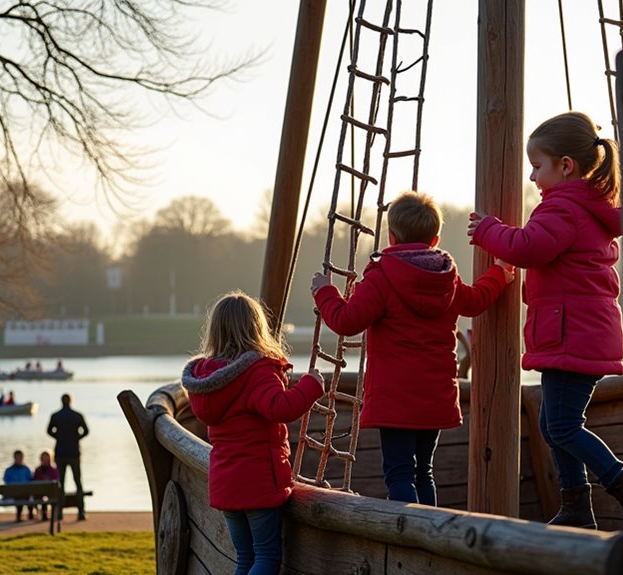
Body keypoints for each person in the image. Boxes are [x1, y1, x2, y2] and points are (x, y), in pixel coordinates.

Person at [468, 111, 623, 530]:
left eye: (537, 166)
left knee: (561, 425)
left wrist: (488, 230)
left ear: (565, 165)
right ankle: (577, 507)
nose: (532, 176)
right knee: (554, 424)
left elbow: (527, 247)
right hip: (580, 333)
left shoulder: (563, 209)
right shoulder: (588, 207)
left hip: (572, 335)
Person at [312, 191, 513, 506]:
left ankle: (405, 530)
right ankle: (428, 528)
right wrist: (499, 271)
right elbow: (477, 300)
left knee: (399, 475)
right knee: (423, 473)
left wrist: (325, 292)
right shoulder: (447, 278)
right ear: (435, 240)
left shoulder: (381, 278)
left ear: (391, 237)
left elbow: (346, 321)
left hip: (395, 400)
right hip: (435, 397)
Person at [182, 291, 325, 575]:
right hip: (257, 483)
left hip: (226, 483)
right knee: (266, 558)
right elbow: (280, 407)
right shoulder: (257, 372)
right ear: (257, 327)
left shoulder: (207, 379)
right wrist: (311, 385)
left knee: (246, 559)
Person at [47, 394, 89, 520]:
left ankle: (59, 511)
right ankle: (81, 511)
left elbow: (49, 431)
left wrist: (58, 437)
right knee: (78, 482)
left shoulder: (55, 416)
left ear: (61, 401)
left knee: (61, 483)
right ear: (71, 401)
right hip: (74, 452)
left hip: (60, 452)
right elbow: (86, 431)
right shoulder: (77, 415)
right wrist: (77, 438)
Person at [3, 450, 34, 522]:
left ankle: (28, 514)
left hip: (24, 492)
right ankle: (21, 515)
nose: (19, 459)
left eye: (20, 458)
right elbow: (6, 482)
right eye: (18, 458)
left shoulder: (26, 469)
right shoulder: (9, 470)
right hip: (14, 493)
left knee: (27, 494)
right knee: (19, 495)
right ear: (14, 458)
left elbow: (30, 480)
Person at [32, 450, 60, 522]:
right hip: (40, 492)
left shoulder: (52, 470)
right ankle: (44, 514)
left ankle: (44, 514)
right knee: (39, 495)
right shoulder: (38, 470)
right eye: (44, 458)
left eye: (46, 458)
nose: (45, 460)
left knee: (49, 495)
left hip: (49, 492)